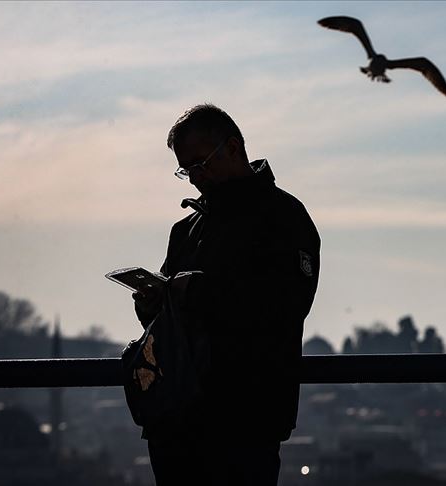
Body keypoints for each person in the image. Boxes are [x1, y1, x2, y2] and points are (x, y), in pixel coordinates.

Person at [131, 103, 321, 485]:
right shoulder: (185, 230)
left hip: (245, 418)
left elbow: (287, 304)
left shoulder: (283, 217)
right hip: (180, 418)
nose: (195, 178)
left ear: (233, 148)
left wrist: (197, 293)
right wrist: (153, 306)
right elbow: (171, 321)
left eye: (201, 164)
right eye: (187, 170)